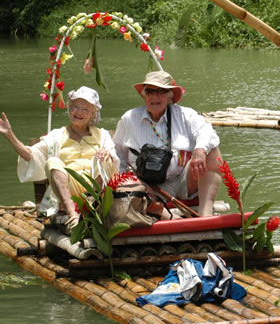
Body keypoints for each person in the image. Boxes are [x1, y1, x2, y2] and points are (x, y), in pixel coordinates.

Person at [0, 86, 118, 233]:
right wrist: (9, 135)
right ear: (69, 108)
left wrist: (106, 154)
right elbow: (31, 155)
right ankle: (73, 215)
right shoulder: (57, 136)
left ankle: (92, 205)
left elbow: (116, 164)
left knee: (107, 158)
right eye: (75, 107)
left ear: (93, 114)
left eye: (85, 109)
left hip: (97, 189)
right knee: (52, 162)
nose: (78, 112)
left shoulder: (103, 135)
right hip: (71, 188)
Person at [113, 70, 222, 217]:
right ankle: (170, 218)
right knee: (123, 180)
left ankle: (205, 213)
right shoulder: (129, 119)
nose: (155, 96)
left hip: (184, 181)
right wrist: (128, 182)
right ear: (144, 95)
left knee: (212, 151)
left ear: (170, 96)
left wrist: (199, 151)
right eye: (150, 91)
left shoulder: (186, 115)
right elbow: (118, 153)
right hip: (149, 188)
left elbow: (208, 132)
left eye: (161, 92)